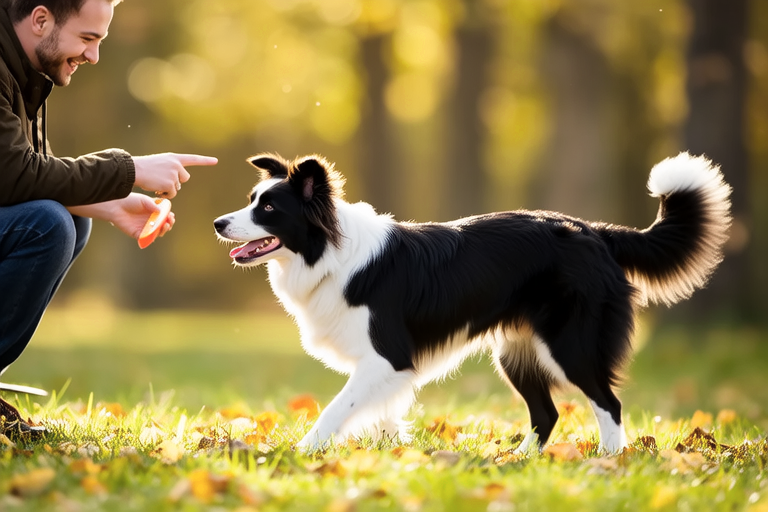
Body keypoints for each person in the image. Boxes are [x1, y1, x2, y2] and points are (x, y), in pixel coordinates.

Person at [0, 0, 218, 437]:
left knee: (69, 220)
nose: (93, 57)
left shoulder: (25, 70)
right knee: (49, 224)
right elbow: (13, 175)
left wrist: (107, 203)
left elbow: (23, 174)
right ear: (41, 19)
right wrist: (130, 169)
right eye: (87, 39)